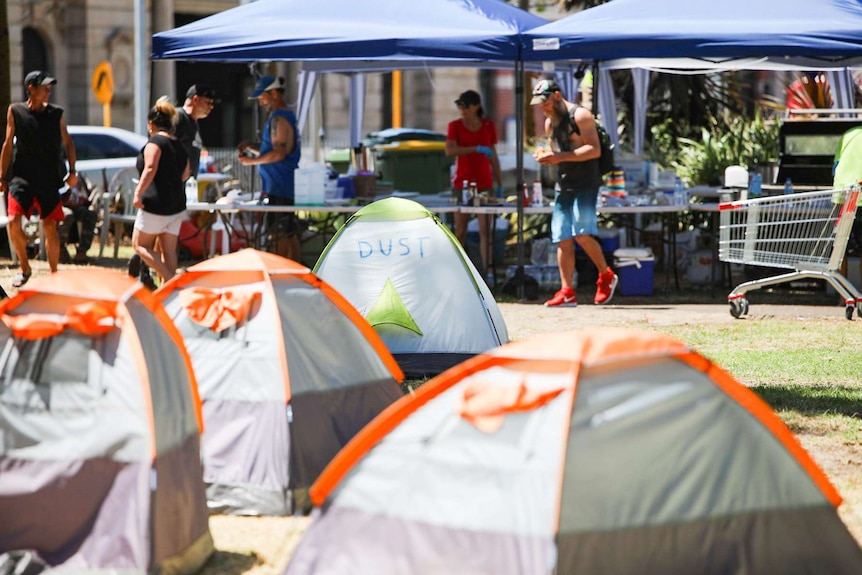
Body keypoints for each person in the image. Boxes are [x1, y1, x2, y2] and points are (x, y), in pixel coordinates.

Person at [531, 78, 618, 307]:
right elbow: (556, 153)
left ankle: (606, 275)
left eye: (546, 102)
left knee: (582, 233)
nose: (543, 107)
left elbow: (594, 149)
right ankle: (567, 290)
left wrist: (558, 157)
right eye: (540, 104)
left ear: (557, 95)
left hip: (586, 183)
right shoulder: (551, 123)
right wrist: (546, 157)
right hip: (564, 185)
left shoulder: (581, 116)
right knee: (562, 237)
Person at [0, 70, 78, 288]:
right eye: (44, 87)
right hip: (22, 177)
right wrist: (2, 176)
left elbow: (68, 143)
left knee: (50, 226)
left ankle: (54, 275)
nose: (48, 90)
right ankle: (25, 268)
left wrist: (72, 172)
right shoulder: (15, 111)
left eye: (49, 87)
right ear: (31, 88)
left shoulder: (56, 114)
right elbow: (7, 145)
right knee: (14, 222)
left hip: (48, 177)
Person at [237, 75, 301, 261]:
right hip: (279, 186)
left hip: (280, 187)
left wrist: (250, 162)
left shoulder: (279, 119)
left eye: (262, 97)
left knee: (279, 233)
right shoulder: (279, 117)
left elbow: (279, 154)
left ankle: (279, 272)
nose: (260, 101)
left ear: (274, 93)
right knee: (288, 232)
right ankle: (297, 271)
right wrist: (252, 146)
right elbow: (273, 149)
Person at [130, 97, 189, 289]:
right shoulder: (179, 144)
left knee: (139, 245)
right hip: (177, 204)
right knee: (169, 250)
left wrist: (138, 192)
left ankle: (170, 281)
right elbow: (185, 174)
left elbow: (150, 168)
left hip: (156, 204)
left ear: (151, 124)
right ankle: (167, 292)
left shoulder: (154, 142)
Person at [445, 90, 503, 278]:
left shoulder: (488, 126)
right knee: (460, 229)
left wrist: (499, 183)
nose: (462, 110)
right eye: (459, 106)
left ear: (476, 106)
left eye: (466, 106)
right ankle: (456, 271)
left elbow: (493, 155)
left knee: (485, 230)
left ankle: (488, 271)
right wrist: (475, 149)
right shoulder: (454, 126)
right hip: (461, 184)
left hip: (484, 183)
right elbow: (450, 151)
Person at [832, 125, 862, 284]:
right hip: (859, 194)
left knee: (840, 249)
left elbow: (835, 166)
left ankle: (842, 295)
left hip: (844, 196)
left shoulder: (848, 134)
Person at [176, 83, 218, 178]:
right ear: (195, 99)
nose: (211, 107)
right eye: (208, 103)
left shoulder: (194, 122)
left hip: (189, 185)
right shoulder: (178, 117)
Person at [58, 177, 98, 264]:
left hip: (76, 205)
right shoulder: (57, 169)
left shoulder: (76, 175)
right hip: (58, 204)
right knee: (67, 215)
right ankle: (60, 250)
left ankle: (81, 253)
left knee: (90, 214)